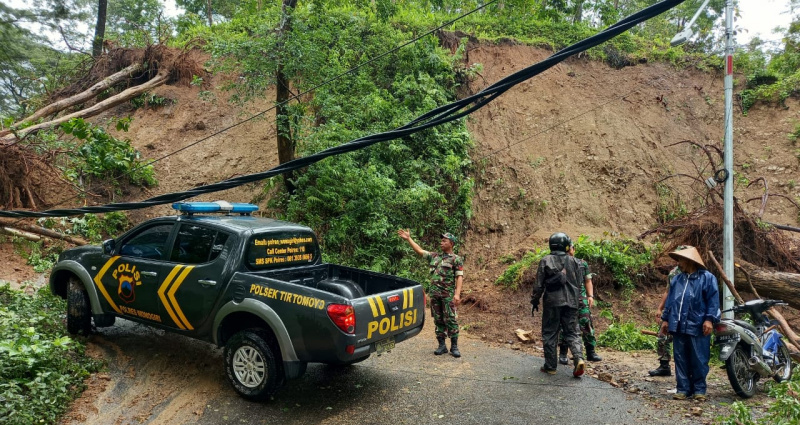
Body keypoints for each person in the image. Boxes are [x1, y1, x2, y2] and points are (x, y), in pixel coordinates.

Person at [660, 246, 720, 401]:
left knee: (699, 358)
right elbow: (671, 302)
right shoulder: (677, 279)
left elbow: (713, 301)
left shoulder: (707, 278)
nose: (678, 263)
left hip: (697, 324)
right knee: (680, 357)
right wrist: (665, 319)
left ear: (689, 261)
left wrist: (709, 319)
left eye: (681, 260)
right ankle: (683, 389)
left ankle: (699, 389)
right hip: (678, 325)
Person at [398, 229, 464, 357]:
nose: (441, 242)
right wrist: (408, 239)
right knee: (438, 320)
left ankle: (454, 347)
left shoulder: (456, 259)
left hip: (448, 295)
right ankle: (442, 346)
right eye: (441, 240)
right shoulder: (435, 256)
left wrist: (457, 294)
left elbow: (459, 277)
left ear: (451, 243)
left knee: (450, 319)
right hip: (435, 295)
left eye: (444, 241)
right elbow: (420, 251)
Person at [530, 232, 585, 378]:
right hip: (572, 303)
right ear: (566, 245)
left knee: (550, 332)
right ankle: (579, 358)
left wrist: (535, 301)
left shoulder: (545, 260)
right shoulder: (576, 262)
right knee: (573, 333)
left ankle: (550, 366)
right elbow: (579, 283)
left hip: (552, 303)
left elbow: (538, 286)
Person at [558, 242, 602, 364]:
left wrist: (590, 296)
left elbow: (588, 280)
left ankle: (590, 352)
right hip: (566, 298)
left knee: (586, 322)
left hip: (581, 298)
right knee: (565, 325)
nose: (568, 250)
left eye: (570, 248)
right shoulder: (560, 263)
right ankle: (563, 353)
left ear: (573, 249)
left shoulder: (582, 263)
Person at [649, 251, 686, 377]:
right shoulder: (674, 273)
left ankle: (687, 370)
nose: (680, 261)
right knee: (662, 337)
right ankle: (664, 365)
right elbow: (668, 292)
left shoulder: (700, 274)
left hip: (689, 312)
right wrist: (660, 309)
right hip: (673, 310)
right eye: (679, 258)